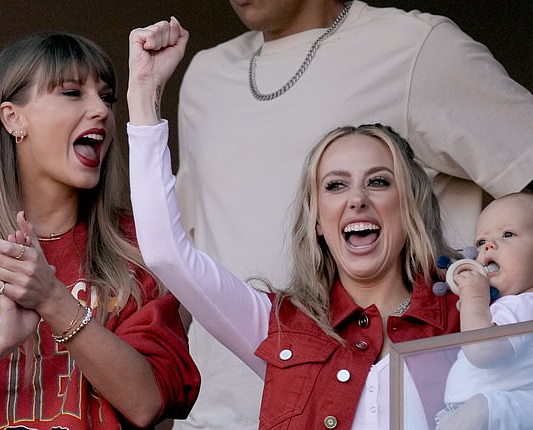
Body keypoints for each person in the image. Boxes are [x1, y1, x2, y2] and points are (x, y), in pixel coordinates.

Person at [175, 1, 533, 428]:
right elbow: (183, 249)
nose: (357, 198)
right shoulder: (203, 76)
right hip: (213, 417)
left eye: (378, 182)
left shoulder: (420, 48)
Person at [126, 18, 463, 429]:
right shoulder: (278, 325)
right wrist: (144, 93)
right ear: (318, 221)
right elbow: (165, 253)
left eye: (378, 182)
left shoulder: (469, 314)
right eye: (335, 186)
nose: (357, 199)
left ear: (409, 205)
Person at [0, 31, 199, 429]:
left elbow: (147, 403)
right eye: (73, 93)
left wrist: (52, 299)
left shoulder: (137, 244)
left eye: (106, 97)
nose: (101, 111)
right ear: (13, 118)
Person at [435, 192, 533, 430]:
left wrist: (474, 300)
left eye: (508, 234)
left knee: (479, 410)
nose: (489, 245)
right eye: (480, 242)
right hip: (497, 410)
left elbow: (483, 351)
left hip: (503, 409)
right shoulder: (507, 306)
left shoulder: (524, 304)